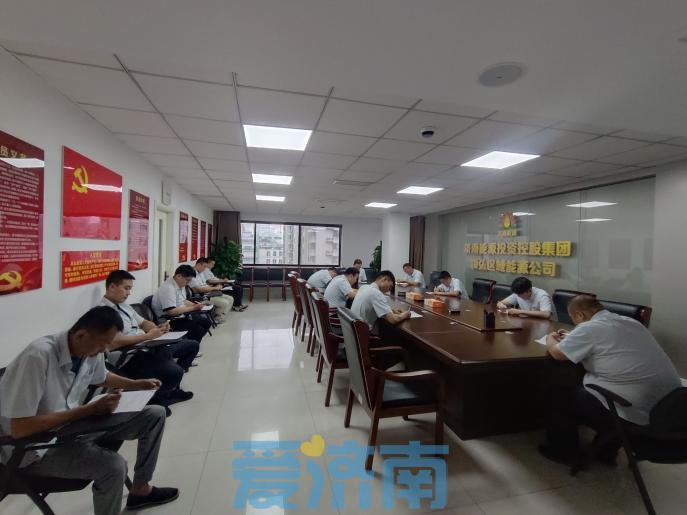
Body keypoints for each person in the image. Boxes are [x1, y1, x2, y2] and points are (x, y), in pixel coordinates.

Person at [0, 306, 179, 514]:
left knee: (154, 414)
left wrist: (136, 384)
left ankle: (141, 489)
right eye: (103, 344)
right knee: (113, 467)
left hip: (71, 428)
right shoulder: (37, 357)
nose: (104, 350)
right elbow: (20, 429)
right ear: (81, 335)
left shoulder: (89, 349)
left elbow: (101, 377)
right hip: (34, 449)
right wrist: (88, 410)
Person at [539, 295, 681, 465]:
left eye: (573, 319)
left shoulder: (589, 329)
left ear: (579, 315)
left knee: (556, 395)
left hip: (634, 413)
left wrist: (550, 340)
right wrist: (574, 337)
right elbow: (610, 341)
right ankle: (605, 451)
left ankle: (564, 452)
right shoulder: (631, 322)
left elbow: (557, 354)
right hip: (671, 410)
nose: (576, 324)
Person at [100, 270, 198, 415]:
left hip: (147, 345)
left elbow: (144, 323)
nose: (129, 293)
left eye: (130, 289)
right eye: (126, 288)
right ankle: (157, 399)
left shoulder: (124, 306)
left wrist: (157, 328)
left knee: (190, 346)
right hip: (129, 355)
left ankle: (169, 390)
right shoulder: (103, 312)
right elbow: (113, 343)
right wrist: (147, 337)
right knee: (173, 371)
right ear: (112, 287)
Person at [152, 265, 211, 342]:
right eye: (187, 280)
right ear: (179, 276)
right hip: (168, 321)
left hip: (180, 315)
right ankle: (191, 345)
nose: (188, 283)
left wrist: (196, 305)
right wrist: (193, 308)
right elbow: (171, 311)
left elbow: (183, 301)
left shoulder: (179, 284)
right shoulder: (168, 288)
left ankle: (193, 343)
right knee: (198, 330)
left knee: (206, 322)